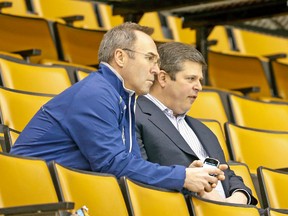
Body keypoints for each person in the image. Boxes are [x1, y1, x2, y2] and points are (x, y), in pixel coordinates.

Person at [10, 22, 226, 194]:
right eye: (150, 58)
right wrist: (182, 177)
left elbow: (133, 165)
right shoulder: (95, 94)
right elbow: (113, 164)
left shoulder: (123, 97)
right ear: (121, 57)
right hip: (33, 195)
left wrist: (190, 178)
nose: (155, 70)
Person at [135, 41, 258, 205]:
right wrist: (191, 186)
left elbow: (227, 173)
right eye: (191, 79)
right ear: (163, 78)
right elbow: (138, 176)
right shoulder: (134, 115)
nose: (199, 87)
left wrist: (240, 196)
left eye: (200, 80)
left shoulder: (204, 130)